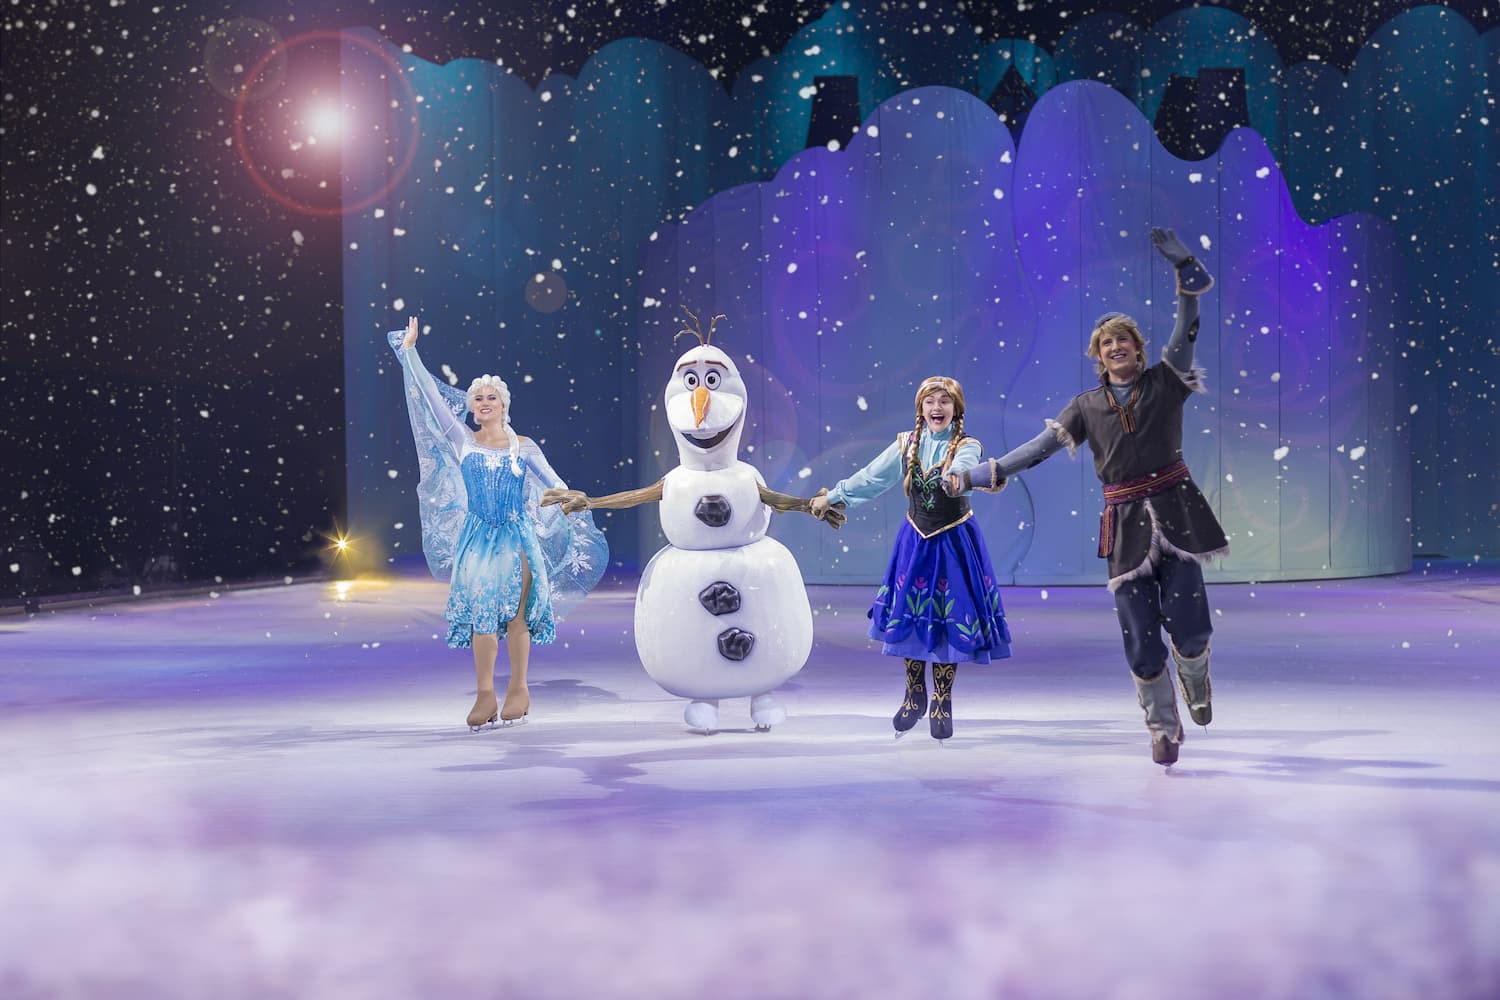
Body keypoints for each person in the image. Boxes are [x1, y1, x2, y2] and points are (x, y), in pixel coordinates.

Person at [948, 228, 1225, 766]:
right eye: (1106, 343)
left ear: (1138, 350)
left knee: (1191, 627)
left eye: (1125, 340)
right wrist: (984, 473)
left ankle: (1196, 682)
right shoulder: (1085, 406)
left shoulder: (1165, 382)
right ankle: (1162, 728)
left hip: (1177, 515)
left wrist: (1187, 284)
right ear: (1097, 355)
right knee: (1140, 638)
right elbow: (1038, 448)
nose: (1116, 347)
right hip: (1125, 528)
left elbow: (1185, 333)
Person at [389, 316, 608, 730]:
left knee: (516, 615)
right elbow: (429, 395)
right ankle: (485, 693)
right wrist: (411, 351)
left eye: (492, 397)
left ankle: (519, 688)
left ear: (504, 405)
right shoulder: (462, 441)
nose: (484, 402)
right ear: (472, 407)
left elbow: (556, 484)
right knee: (481, 614)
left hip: (516, 535)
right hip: (476, 538)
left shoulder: (522, 447)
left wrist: (569, 499)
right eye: (478, 398)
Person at [810, 377, 1012, 741]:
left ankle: (942, 700)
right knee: (912, 612)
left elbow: (965, 468)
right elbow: (871, 478)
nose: (937, 408)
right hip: (915, 541)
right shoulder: (907, 444)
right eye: (930, 401)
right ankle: (914, 692)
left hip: (953, 541)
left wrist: (960, 478)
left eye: (945, 401)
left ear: (956, 408)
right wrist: (834, 497)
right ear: (920, 408)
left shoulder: (967, 445)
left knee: (948, 616)